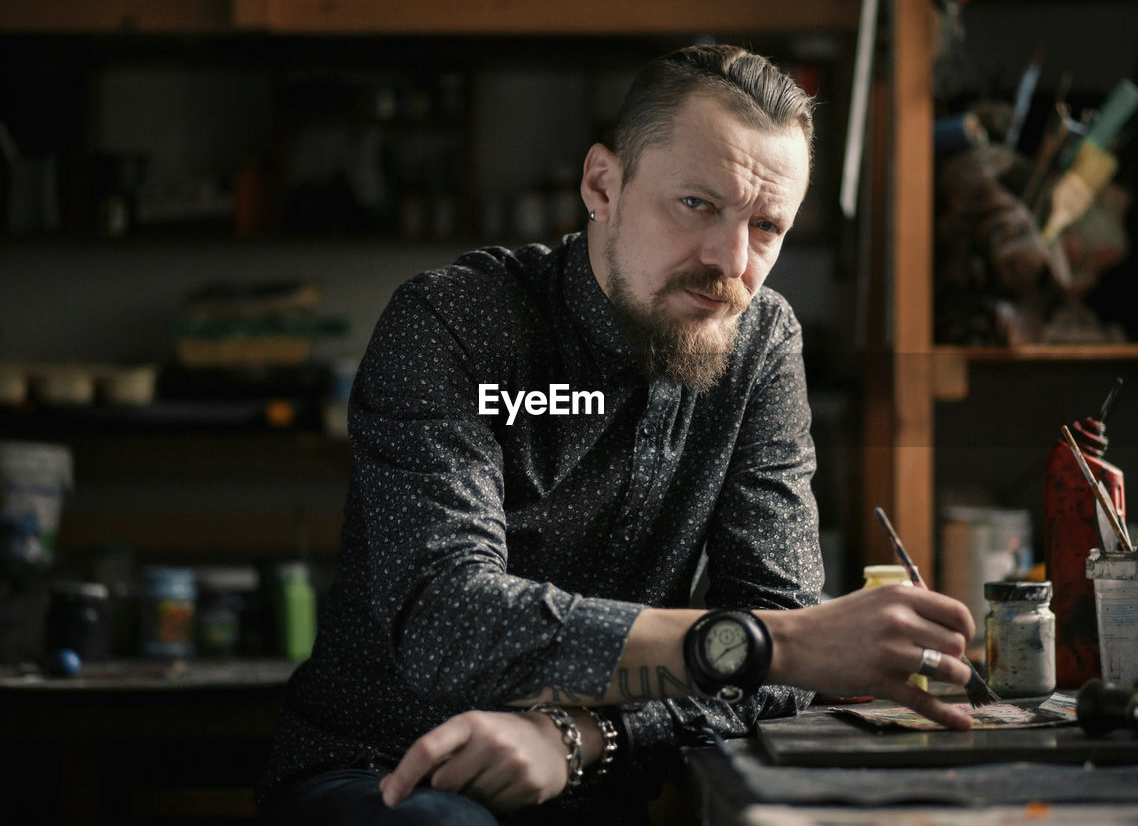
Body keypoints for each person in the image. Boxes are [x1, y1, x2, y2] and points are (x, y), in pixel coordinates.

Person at [258, 44, 976, 825]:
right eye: (697, 204)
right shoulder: (451, 325)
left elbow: (773, 668)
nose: (729, 262)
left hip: (603, 785)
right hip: (385, 772)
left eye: (766, 225)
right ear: (603, 185)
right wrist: (765, 640)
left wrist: (580, 736)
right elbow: (449, 622)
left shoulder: (762, 345)